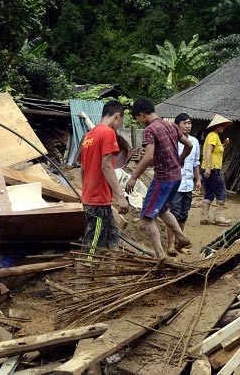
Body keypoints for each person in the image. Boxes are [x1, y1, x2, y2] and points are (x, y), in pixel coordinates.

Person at [125, 98, 193, 258]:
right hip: (177, 177)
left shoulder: (150, 129)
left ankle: (159, 255)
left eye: (138, 120)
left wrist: (133, 177)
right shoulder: (170, 126)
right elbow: (189, 145)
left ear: (141, 115)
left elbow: (148, 157)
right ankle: (181, 237)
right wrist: (180, 160)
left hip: (163, 178)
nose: (140, 123)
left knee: (147, 216)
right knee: (162, 209)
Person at [79, 100, 130, 255]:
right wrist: (121, 196)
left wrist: (85, 191)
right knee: (92, 247)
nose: (119, 125)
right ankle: (83, 277)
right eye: (121, 121)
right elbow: (106, 166)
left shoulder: (89, 135)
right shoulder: (108, 133)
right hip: (98, 200)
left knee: (112, 238)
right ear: (117, 116)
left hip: (93, 198)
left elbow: (82, 169)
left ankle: (109, 275)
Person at [168, 113, 201, 256]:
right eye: (184, 123)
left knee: (183, 215)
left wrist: (198, 179)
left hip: (188, 184)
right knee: (173, 215)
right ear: (177, 125)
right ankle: (170, 244)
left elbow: (196, 163)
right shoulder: (172, 141)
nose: (188, 125)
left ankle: (179, 243)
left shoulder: (194, 142)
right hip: (175, 184)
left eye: (189, 123)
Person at [201, 114, 233, 226]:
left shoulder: (212, 136)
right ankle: (219, 217)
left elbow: (213, 150)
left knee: (209, 192)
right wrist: (209, 168)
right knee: (221, 192)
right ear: (216, 126)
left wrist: (223, 145)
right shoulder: (214, 136)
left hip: (207, 168)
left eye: (224, 125)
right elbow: (208, 151)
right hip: (212, 168)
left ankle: (204, 216)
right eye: (221, 125)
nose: (223, 126)